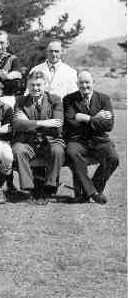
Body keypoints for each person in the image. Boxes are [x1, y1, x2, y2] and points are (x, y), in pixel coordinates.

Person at [64, 70, 118, 204]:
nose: (84, 86)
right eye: (81, 83)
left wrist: (86, 118)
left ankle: (91, 190)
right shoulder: (69, 99)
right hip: (77, 140)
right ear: (77, 84)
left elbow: (108, 125)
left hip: (99, 140)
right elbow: (71, 123)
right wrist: (96, 118)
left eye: (87, 82)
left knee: (113, 158)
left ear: (93, 82)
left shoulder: (104, 99)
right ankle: (93, 193)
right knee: (72, 152)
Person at [12, 70, 65, 205]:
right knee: (18, 150)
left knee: (58, 151)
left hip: (50, 141)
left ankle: (49, 187)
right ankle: (29, 188)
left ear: (45, 85)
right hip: (28, 141)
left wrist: (28, 122)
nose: (35, 88)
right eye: (32, 85)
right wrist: (43, 123)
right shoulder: (21, 101)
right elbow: (17, 124)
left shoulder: (55, 100)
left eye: (38, 85)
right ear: (27, 86)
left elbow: (58, 127)